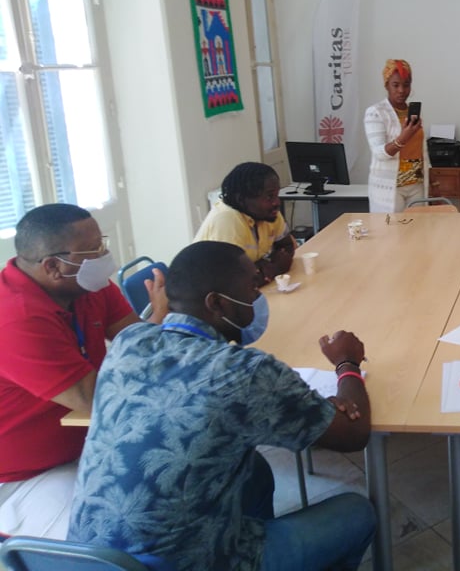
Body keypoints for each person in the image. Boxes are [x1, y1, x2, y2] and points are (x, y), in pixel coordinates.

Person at [69, 240, 376, 571]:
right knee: (356, 512)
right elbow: (353, 434)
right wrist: (347, 363)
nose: (258, 298)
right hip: (187, 565)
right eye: (252, 289)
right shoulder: (245, 373)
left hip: (89, 560)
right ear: (216, 303)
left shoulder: (128, 341)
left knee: (255, 470)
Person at [0, 204, 164, 539]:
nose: (104, 257)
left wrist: (158, 327)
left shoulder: (87, 285)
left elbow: (140, 345)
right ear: (53, 266)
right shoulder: (16, 317)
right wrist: (159, 321)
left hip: (92, 443)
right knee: (114, 539)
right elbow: (92, 399)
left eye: (102, 244)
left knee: (190, 491)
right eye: (93, 251)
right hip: (23, 476)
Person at [195, 162, 296, 288]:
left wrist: (266, 268)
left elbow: (287, 246)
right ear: (241, 199)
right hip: (204, 292)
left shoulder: (268, 213)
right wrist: (275, 267)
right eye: (269, 196)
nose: (277, 202)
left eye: (276, 195)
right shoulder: (226, 220)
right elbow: (232, 283)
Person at [364, 59, 430, 212]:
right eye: (396, 85)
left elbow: (421, 150)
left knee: (418, 227)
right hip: (391, 187)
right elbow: (379, 153)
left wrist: (432, 181)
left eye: (406, 85)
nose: (401, 90)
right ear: (386, 85)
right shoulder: (376, 112)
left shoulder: (412, 112)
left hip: (417, 185)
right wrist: (404, 137)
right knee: (392, 227)